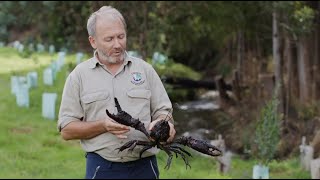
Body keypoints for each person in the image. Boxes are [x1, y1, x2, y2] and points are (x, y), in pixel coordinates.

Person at [57, 5, 176, 179]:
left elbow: (164, 112)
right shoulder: (79, 76)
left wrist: (165, 126)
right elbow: (67, 130)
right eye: (109, 39)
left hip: (145, 167)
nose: (117, 44)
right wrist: (102, 125)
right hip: (102, 167)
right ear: (93, 41)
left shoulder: (145, 70)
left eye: (121, 36)